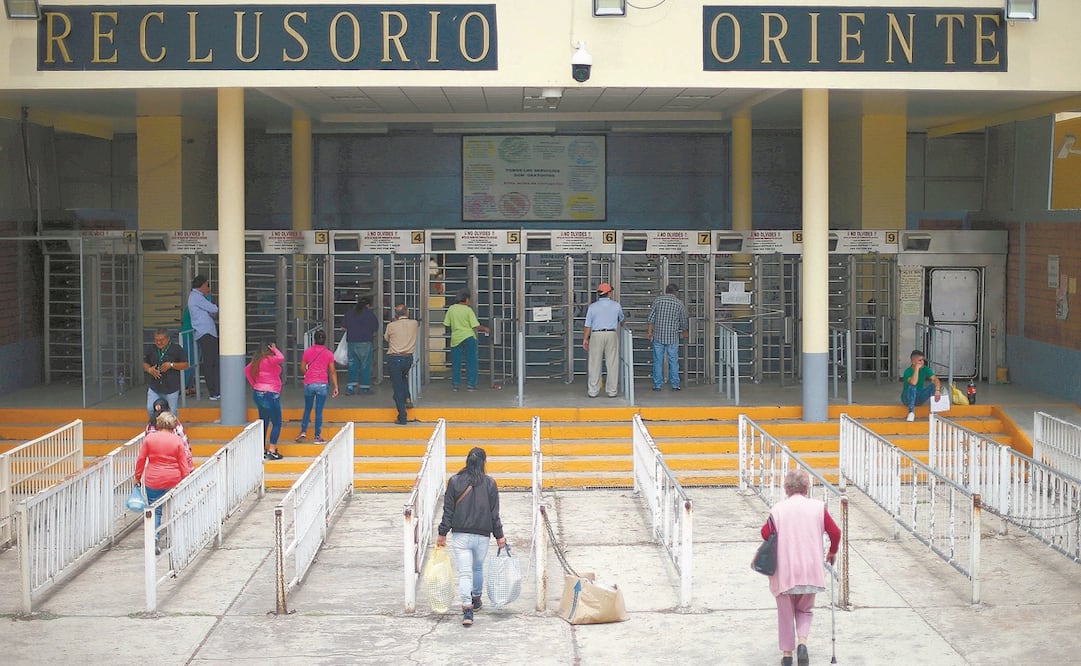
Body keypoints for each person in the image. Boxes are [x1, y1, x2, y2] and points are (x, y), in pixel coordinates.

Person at [760, 469, 841, 666]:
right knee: (805, 610)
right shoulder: (818, 507)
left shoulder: (778, 509)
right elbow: (835, 532)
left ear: (786, 488)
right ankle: (802, 643)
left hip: (785, 572)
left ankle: (787, 656)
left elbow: (765, 533)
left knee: (785, 615)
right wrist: (832, 551)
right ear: (807, 487)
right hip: (810, 570)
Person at [436, 447, 506, 628]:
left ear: (467, 461)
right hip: (482, 535)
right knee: (477, 568)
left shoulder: (454, 481)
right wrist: (499, 536)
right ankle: (476, 600)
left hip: (460, 535)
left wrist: (442, 533)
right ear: (484, 462)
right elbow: (494, 514)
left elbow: (448, 511)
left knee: (465, 572)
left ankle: (467, 610)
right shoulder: (490, 484)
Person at [134, 411, 193, 555]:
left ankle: (154, 538)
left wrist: (137, 477)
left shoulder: (149, 439)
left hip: (153, 480)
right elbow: (183, 463)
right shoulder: (177, 441)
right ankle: (176, 539)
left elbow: (141, 460)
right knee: (176, 509)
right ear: (173, 425)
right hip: (173, 479)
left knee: (156, 512)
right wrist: (186, 479)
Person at [582, 282, 624, 398]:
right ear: (609, 293)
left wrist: (585, 339)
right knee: (612, 363)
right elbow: (621, 319)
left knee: (594, 363)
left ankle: (593, 391)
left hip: (596, 335)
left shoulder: (592, 307)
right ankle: (612, 391)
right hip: (611, 334)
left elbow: (587, 325)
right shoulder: (616, 305)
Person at [296, 329, 339, 443]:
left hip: (309, 384)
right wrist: (335, 386)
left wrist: (308, 375)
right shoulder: (328, 354)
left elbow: (302, 367)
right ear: (325, 340)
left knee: (307, 408)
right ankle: (317, 436)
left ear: (314, 339)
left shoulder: (308, 351)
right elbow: (332, 371)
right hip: (322, 385)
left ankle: (303, 432)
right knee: (318, 411)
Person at [244, 341, 285, 460]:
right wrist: (275, 349)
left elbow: (246, 371)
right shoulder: (270, 359)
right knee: (276, 422)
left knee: (264, 422)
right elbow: (281, 357)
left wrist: (254, 384)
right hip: (271, 394)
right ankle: (272, 450)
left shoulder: (256, 361)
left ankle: (261, 449)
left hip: (258, 393)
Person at [443, 289, 489, 391]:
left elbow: (447, 323)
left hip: (455, 339)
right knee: (471, 361)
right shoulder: (468, 310)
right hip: (468, 337)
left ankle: (455, 384)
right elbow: (475, 325)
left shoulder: (451, 309)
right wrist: (485, 328)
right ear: (466, 299)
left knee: (456, 362)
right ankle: (471, 385)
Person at [647, 283, 689, 391]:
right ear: (676, 292)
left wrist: (649, 332)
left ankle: (657, 385)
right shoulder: (679, 303)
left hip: (658, 335)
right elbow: (683, 320)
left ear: (666, 291)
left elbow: (651, 318)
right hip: (672, 337)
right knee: (673, 361)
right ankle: (675, 385)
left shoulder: (658, 300)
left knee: (657, 361)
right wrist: (685, 331)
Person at [142, 328, 189, 419]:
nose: (158, 343)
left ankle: (172, 431)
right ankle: (154, 428)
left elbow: (185, 365)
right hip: (155, 386)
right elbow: (145, 363)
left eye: (161, 340)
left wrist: (171, 365)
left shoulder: (176, 349)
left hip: (171, 387)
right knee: (150, 409)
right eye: (156, 340)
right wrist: (150, 370)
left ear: (168, 339)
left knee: (172, 412)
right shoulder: (151, 349)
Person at [385, 303, 419, 425]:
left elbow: (387, 338)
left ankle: (402, 416)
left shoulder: (391, 326)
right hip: (408, 359)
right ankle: (407, 397)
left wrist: (394, 322)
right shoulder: (414, 323)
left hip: (394, 358)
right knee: (403, 378)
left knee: (397, 387)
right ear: (407, 313)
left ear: (395, 315)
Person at [188, 275, 221, 400]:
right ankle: (213, 392)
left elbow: (211, 312)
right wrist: (211, 309)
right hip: (205, 333)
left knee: (212, 363)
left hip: (207, 333)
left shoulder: (197, 297)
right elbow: (214, 309)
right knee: (210, 363)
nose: (208, 288)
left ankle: (216, 391)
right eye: (207, 285)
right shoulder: (197, 298)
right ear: (202, 286)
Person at [341, 295, 380, 395]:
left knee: (352, 365)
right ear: (368, 305)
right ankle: (364, 388)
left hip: (352, 342)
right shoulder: (369, 314)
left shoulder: (350, 313)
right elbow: (375, 327)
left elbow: (343, 327)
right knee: (365, 365)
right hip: (365, 343)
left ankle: (350, 388)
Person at [146, 397, 192, 469]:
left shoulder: (149, 426)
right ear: (168, 410)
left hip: (155, 468)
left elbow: (146, 449)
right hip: (174, 467)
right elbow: (185, 446)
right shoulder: (175, 423)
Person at [900, 349, 941, 422]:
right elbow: (913, 382)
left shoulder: (925, 368)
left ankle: (934, 413)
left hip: (919, 397)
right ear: (913, 362)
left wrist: (937, 390)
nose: (922, 362)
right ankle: (911, 412)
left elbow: (935, 379)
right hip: (907, 398)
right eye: (920, 360)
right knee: (912, 386)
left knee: (933, 385)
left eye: (923, 360)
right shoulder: (907, 371)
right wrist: (916, 369)